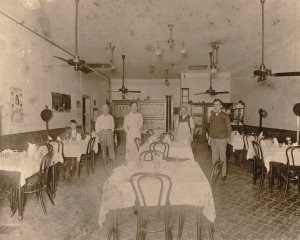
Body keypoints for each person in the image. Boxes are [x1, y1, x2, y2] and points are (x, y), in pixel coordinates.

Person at [208, 99, 232, 181]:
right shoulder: (213, 115)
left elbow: (229, 127)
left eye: (217, 104)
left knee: (222, 156)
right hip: (213, 139)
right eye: (214, 104)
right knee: (214, 157)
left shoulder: (225, 115)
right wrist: (209, 138)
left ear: (221, 106)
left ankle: (223, 174)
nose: (215, 106)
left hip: (222, 139)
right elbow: (211, 127)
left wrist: (228, 138)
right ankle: (215, 171)